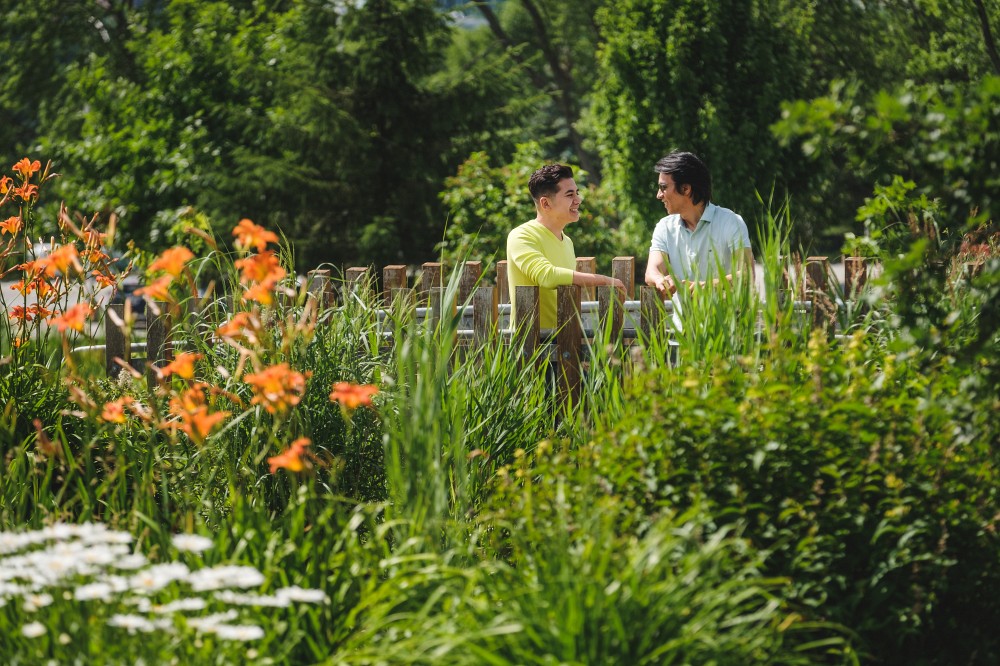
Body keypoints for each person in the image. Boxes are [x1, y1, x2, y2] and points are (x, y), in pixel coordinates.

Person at [507, 164, 625, 329]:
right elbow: (548, 276)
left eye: (577, 193)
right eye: (570, 195)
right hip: (531, 345)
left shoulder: (567, 241)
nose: (578, 200)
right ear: (546, 204)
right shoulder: (521, 236)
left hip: (566, 341)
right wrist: (604, 280)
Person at [644, 151, 753, 298]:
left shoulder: (732, 222)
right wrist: (660, 280)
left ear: (686, 189)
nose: (659, 195)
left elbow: (747, 274)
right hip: (681, 322)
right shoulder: (664, 227)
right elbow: (652, 271)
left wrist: (708, 286)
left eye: (663, 187)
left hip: (726, 321)